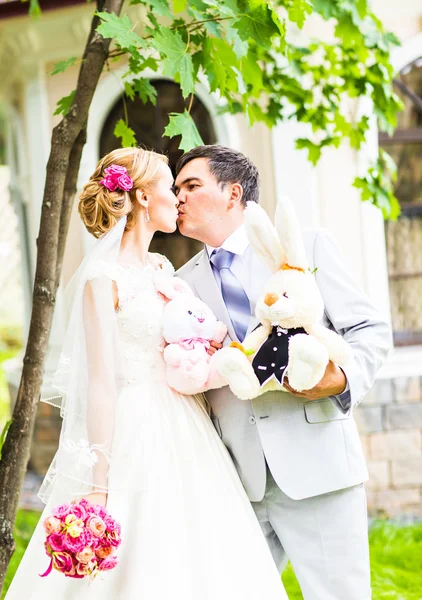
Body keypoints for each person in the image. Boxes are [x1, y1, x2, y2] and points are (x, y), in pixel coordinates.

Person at [6, 147, 287, 600]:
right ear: (139, 197)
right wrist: (99, 484)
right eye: (167, 186)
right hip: (136, 426)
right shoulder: (103, 278)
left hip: (189, 426)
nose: (177, 197)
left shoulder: (161, 268)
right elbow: (100, 382)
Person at [175, 144, 392, 600]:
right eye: (176, 188)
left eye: (191, 186)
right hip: (238, 483)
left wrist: (341, 380)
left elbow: (369, 329)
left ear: (233, 193)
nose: (179, 197)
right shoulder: (182, 284)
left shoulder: (305, 246)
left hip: (318, 470)